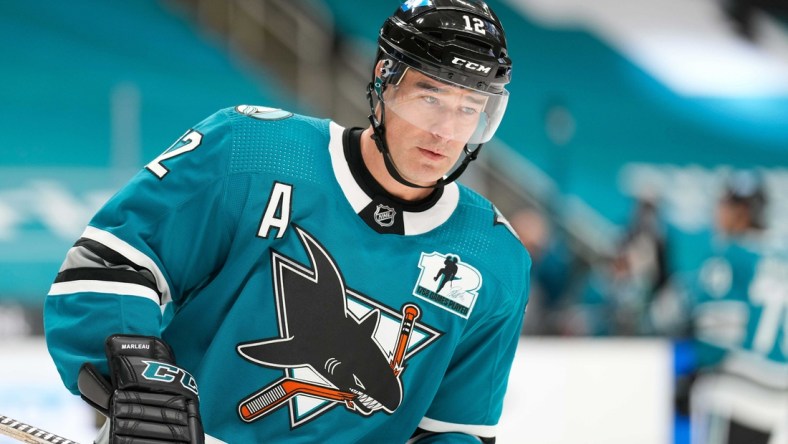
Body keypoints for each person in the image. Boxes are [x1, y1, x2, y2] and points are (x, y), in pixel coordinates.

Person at [44, 1, 530, 443]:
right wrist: (141, 386)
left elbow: (454, 430)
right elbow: (110, 265)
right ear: (386, 79)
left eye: (469, 108)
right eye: (430, 97)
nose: (446, 131)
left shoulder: (495, 258)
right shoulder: (247, 148)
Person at [680, 171, 787, 444]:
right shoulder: (782, 256)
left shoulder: (729, 256)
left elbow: (716, 334)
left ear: (742, 212)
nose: (719, 213)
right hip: (781, 397)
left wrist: (695, 373)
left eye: (725, 206)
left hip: (737, 389)